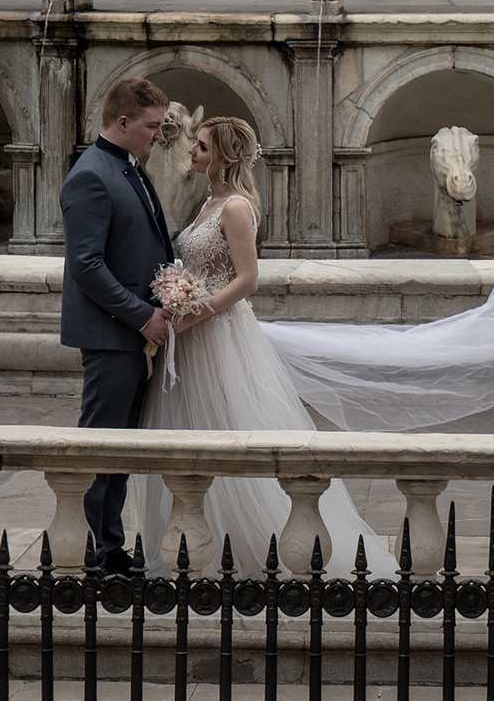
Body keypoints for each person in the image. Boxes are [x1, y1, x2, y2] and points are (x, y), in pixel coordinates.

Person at [137, 117, 393, 574]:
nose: (191, 152)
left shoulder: (235, 207)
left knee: (228, 432)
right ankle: (194, 543)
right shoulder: (209, 201)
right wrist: (176, 293)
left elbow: (248, 279)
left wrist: (194, 312)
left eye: (200, 146)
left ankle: (253, 548)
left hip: (218, 337)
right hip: (193, 337)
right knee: (191, 437)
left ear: (225, 158)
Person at [60, 76, 178, 573]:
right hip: (112, 336)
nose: (159, 135)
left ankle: (108, 547)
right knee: (101, 445)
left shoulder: (127, 166)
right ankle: (93, 552)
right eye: (152, 126)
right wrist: (143, 315)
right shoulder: (90, 175)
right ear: (123, 122)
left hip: (131, 334)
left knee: (120, 448)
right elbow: (86, 266)